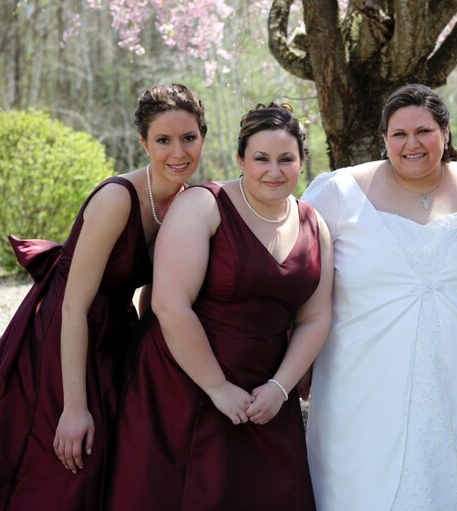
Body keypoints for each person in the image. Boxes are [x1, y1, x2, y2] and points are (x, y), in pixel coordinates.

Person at [0, 83, 206, 511]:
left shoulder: (190, 202)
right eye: (163, 140)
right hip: (64, 332)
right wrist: (72, 407)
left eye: (189, 138)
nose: (178, 152)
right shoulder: (118, 198)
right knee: (68, 455)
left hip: (114, 330)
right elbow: (74, 306)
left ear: (203, 137)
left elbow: (156, 296)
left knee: (117, 454)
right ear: (143, 143)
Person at [105, 102, 333, 511]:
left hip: (266, 392)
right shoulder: (204, 205)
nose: (274, 171)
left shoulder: (314, 224)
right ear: (240, 159)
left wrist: (281, 388)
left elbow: (316, 317)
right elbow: (170, 304)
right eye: (260, 158)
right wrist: (216, 387)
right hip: (183, 382)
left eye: (286, 159)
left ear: (302, 162)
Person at [302, 84, 457, 511]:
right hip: (360, 386)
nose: (412, 144)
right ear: (383, 139)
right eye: (399, 134)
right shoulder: (338, 193)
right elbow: (291, 273)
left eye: (424, 131)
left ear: (446, 133)